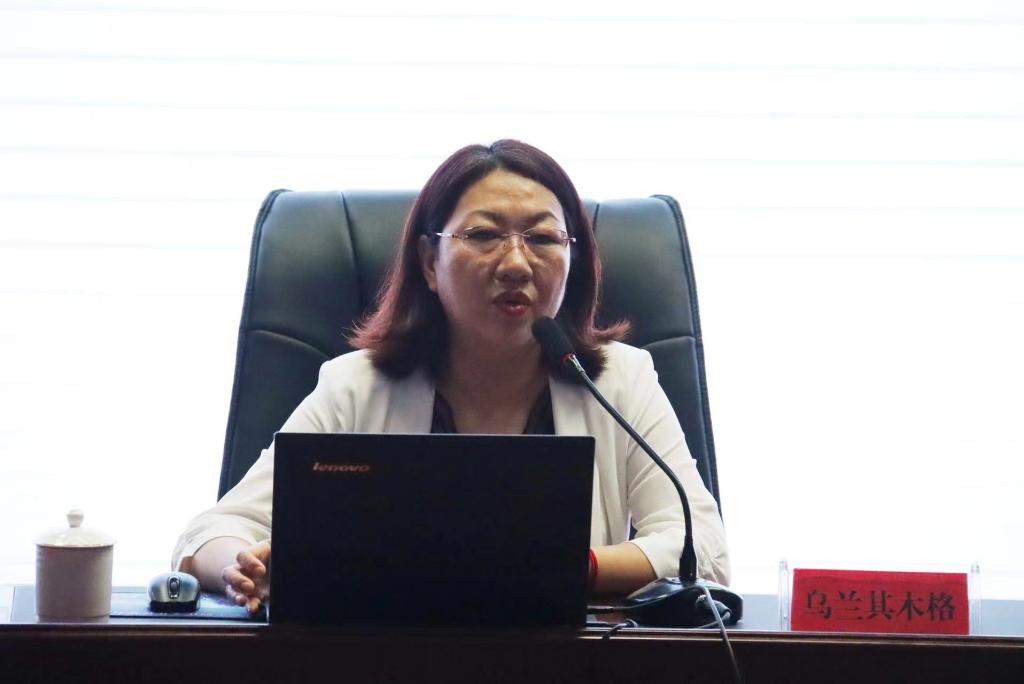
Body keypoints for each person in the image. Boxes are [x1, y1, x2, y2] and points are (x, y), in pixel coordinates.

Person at [172, 139, 731, 615]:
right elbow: (210, 533)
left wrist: (574, 567)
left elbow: (701, 548)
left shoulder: (617, 381)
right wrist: (243, 568)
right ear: (427, 262)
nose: (516, 264)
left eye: (542, 239)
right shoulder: (357, 387)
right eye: (484, 235)